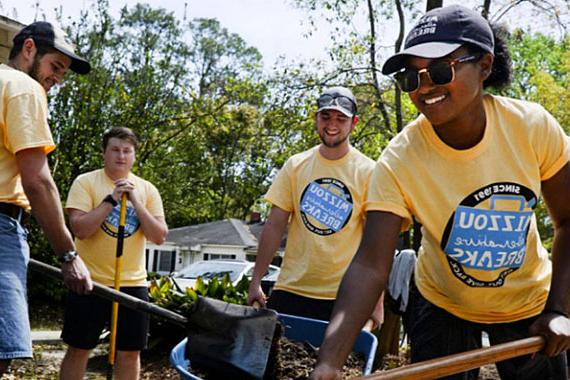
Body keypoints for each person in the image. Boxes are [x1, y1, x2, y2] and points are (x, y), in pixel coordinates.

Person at [313, 5, 570, 380]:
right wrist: (329, 361)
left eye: (438, 70)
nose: (425, 87)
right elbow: (371, 264)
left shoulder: (531, 128)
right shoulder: (400, 159)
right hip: (441, 304)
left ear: (484, 65)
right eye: (411, 79)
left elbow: (567, 219)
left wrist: (560, 309)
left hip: (527, 304)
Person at [0, 21, 93, 375]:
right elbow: (37, 180)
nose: (58, 79)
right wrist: (68, 255)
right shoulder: (22, 87)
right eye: (55, 66)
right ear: (28, 49)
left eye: (63, 72)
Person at [247, 87, 383, 326]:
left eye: (341, 118)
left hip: (345, 295)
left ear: (354, 123)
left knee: (334, 363)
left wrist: (376, 302)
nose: (332, 124)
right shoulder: (296, 166)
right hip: (292, 289)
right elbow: (274, 225)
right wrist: (256, 280)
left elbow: (376, 242)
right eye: (326, 117)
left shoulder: (369, 172)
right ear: (315, 119)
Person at [59, 127, 168, 380]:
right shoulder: (86, 182)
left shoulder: (148, 189)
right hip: (89, 280)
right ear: (104, 153)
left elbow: (159, 236)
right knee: (79, 349)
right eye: (115, 150)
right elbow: (81, 229)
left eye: (127, 151)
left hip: (132, 283)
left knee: (130, 352)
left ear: (134, 155)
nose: (121, 156)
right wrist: (111, 200)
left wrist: (136, 202)